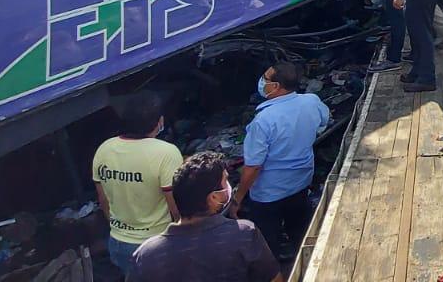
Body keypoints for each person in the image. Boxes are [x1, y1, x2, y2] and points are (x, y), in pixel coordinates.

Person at [132, 152, 283, 282]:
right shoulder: (243, 234)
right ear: (213, 198)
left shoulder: (146, 254)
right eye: (225, 181)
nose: (229, 186)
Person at [235, 62, 331, 259]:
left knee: (268, 246)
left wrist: (237, 198)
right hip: (301, 182)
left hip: (268, 194)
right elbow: (323, 120)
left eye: (266, 79)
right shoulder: (311, 102)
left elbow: (253, 167)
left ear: (276, 86)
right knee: (300, 234)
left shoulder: (263, 122)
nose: (262, 81)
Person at [92, 91, 183, 277]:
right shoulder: (166, 153)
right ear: (159, 122)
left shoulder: (104, 149)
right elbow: (176, 208)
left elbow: (103, 201)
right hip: (156, 244)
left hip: (118, 242)